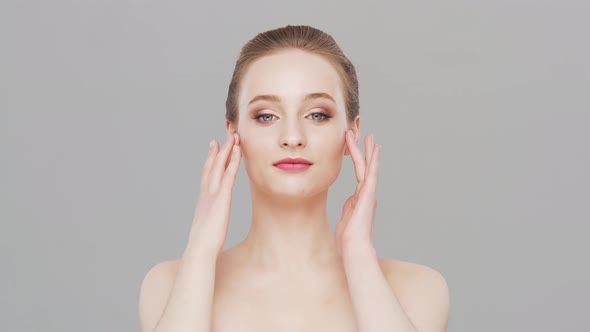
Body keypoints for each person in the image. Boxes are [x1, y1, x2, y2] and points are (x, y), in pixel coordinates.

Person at [138, 25, 449, 332]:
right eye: (266, 116)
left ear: (350, 133)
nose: (292, 136)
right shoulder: (168, 284)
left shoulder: (417, 289)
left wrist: (358, 256)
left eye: (317, 114)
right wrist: (201, 246)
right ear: (234, 134)